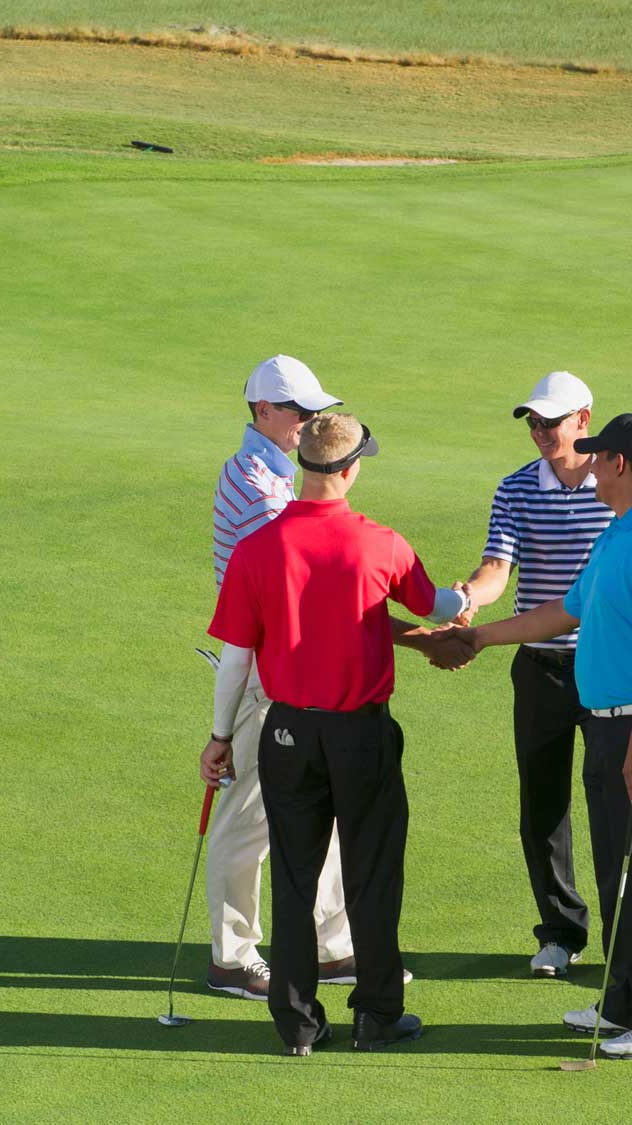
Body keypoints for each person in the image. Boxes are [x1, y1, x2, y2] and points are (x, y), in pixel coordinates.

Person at [424, 413, 632, 1060]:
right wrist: (479, 635)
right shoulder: (620, 530)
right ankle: (624, 1002)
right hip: (618, 724)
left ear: (617, 464)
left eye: (596, 454)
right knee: (622, 867)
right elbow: (564, 610)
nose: (586, 463)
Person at [205, 413, 465, 1055]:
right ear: (350, 471)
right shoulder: (381, 543)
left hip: (286, 733)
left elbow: (237, 659)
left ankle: (296, 1022)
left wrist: (217, 737)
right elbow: (431, 606)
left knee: (294, 875)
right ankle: (378, 1017)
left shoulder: (258, 548)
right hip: (360, 736)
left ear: (304, 467)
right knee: (372, 873)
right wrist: (465, 603)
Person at [201, 355, 361, 1002]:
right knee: (248, 821)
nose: (308, 421)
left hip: (298, 674)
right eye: (296, 410)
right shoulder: (253, 484)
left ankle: (333, 946)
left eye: (312, 409)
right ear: (262, 411)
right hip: (263, 677)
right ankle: (232, 958)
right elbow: (306, 572)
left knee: (320, 810)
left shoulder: (275, 478)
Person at [449, 371, 613, 978]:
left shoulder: (614, 484)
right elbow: (499, 567)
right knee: (541, 805)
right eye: (533, 422)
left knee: (614, 802)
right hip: (540, 669)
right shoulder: (517, 488)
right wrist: (471, 595)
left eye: (551, 421)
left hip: (607, 670)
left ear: (584, 420)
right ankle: (560, 933)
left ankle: (628, 935)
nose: (540, 432)